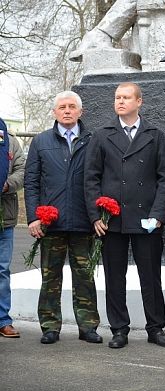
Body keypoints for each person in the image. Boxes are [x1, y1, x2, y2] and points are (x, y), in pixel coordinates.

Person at [84, 82, 165, 349]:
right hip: (112, 219)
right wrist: (95, 216)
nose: (120, 101)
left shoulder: (155, 135)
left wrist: (158, 215)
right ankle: (119, 329)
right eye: (117, 97)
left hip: (146, 218)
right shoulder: (102, 135)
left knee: (151, 276)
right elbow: (91, 179)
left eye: (126, 97)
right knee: (114, 276)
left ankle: (155, 328)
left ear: (139, 101)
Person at [25, 91, 102, 344]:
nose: (67, 110)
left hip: (83, 221)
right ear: (54, 112)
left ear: (81, 112)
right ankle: (49, 326)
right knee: (50, 277)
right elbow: (32, 182)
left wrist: (98, 215)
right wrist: (33, 218)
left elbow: (100, 178)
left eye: (72, 107)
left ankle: (88, 326)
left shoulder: (93, 140)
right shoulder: (41, 141)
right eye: (62, 107)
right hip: (51, 223)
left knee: (84, 276)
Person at [0, 130, 25, 338]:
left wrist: (6, 184)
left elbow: (22, 170)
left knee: (2, 270)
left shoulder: (10, 140)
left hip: (4, 219)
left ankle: (3, 320)